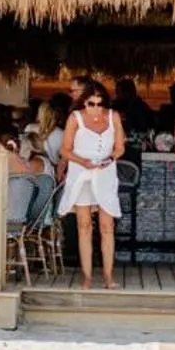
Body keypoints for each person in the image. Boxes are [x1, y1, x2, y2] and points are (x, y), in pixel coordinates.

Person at [58, 81, 125, 288]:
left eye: (99, 103)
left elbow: (120, 147)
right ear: (84, 102)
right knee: (84, 225)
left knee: (107, 226)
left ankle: (108, 276)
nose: (96, 107)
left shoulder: (113, 117)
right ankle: (86, 276)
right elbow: (65, 150)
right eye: (91, 103)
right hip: (81, 174)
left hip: (105, 174)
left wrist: (110, 159)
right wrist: (82, 162)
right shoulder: (75, 118)